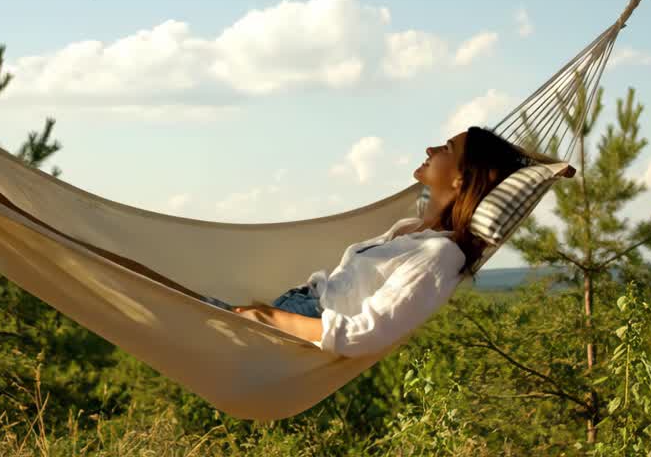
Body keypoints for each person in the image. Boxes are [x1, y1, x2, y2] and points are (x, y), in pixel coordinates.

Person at [203, 126, 540, 357]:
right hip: (294, 306)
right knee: (170, 302)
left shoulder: (440, 254)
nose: (431, 149)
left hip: (302, 323)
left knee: (178, 318)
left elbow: (367, 332)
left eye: (447, 148)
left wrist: (271, 319)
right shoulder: (412, 228)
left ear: (461, 178)